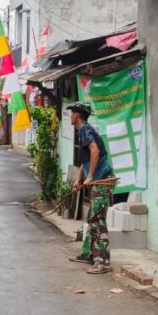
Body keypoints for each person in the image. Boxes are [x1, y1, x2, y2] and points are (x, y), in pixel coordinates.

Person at [67, 102, 115, 274]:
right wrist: (79, 180)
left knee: (97, 219)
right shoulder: (82, 131)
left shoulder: (85, 130)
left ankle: (102, 262)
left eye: (71, 113)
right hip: (98, 179)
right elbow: (85, 160)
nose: (70, 116)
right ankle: (88, 254)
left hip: (102, 180)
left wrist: (90, 176)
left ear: (77, 116)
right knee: (93, 218)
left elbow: (94, 152)